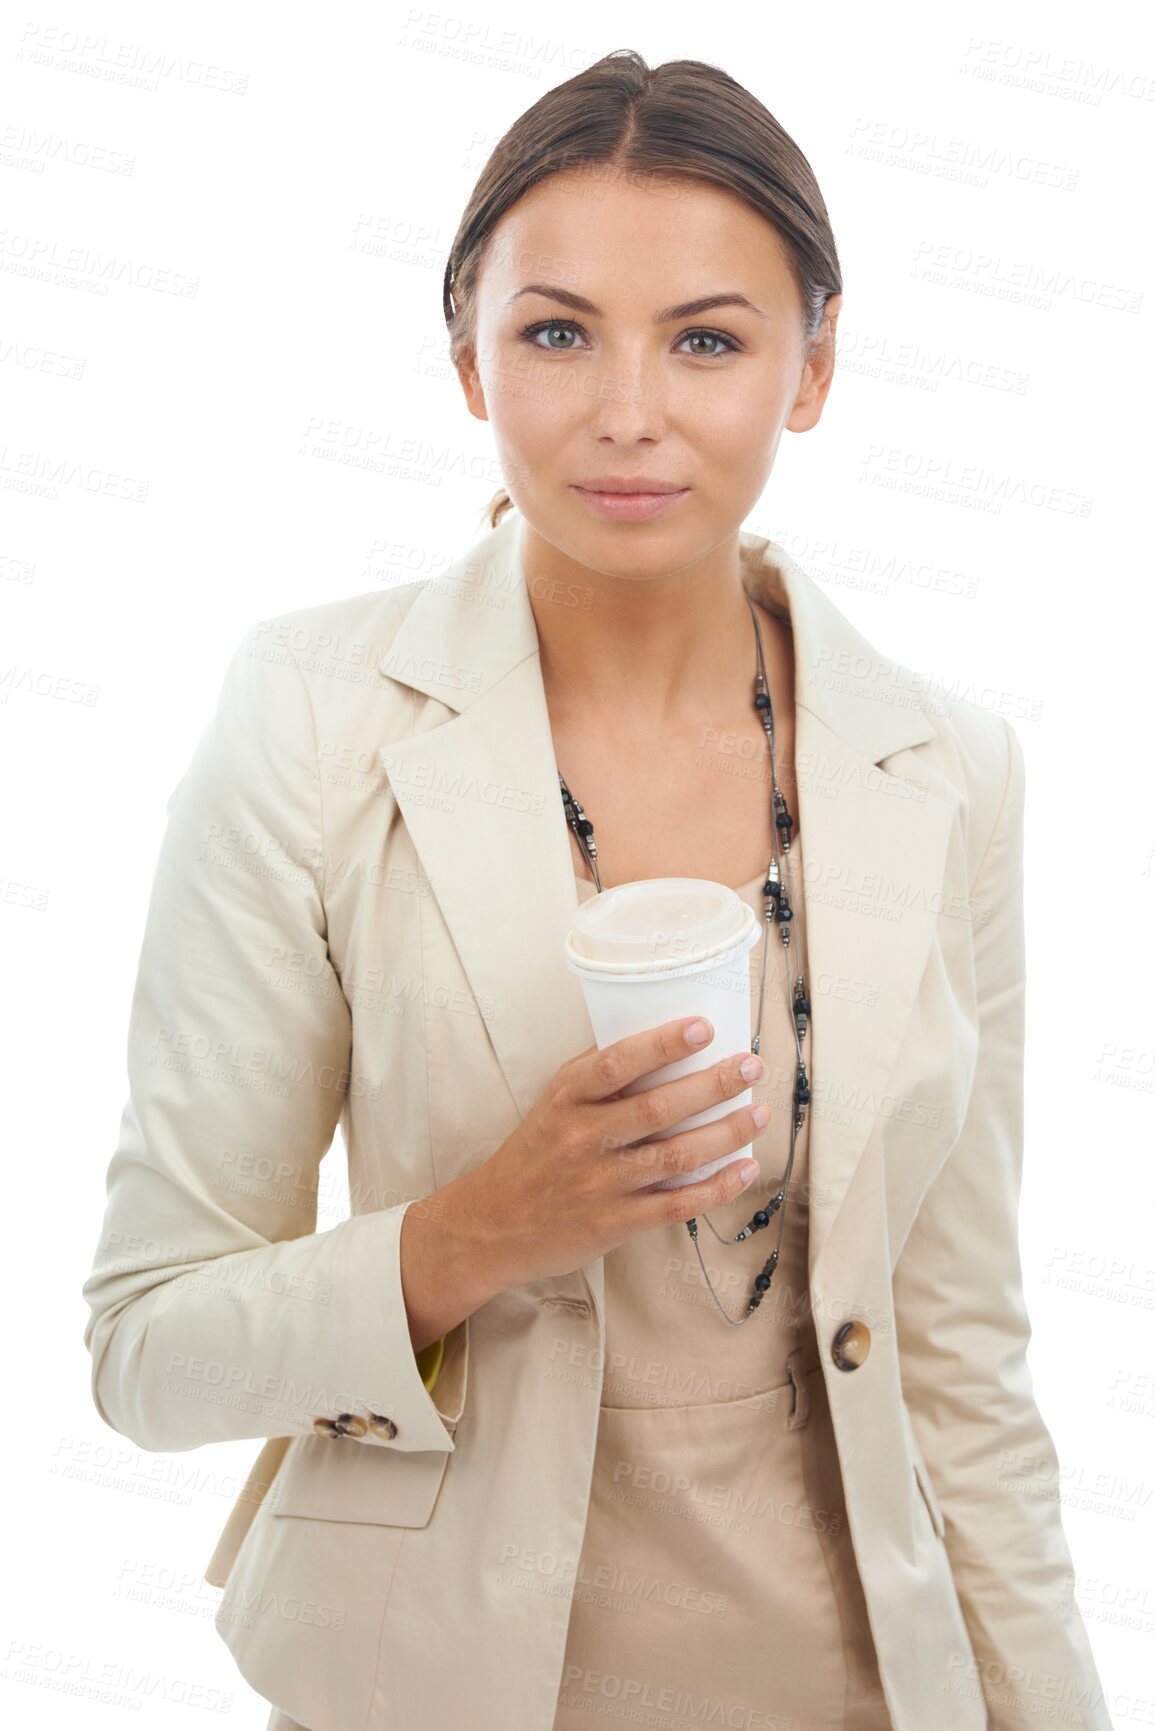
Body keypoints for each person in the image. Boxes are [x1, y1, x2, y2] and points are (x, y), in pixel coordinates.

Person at [82, 49, 1112, 1731]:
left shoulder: (946, 770)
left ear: (815, 368)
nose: (628, 409)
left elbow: (964, 1364)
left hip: (855, 1692)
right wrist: (477, 1233)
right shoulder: (313, 723)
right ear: (467, 357)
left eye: (708, 338)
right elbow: (147, 1344)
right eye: (557, 331)